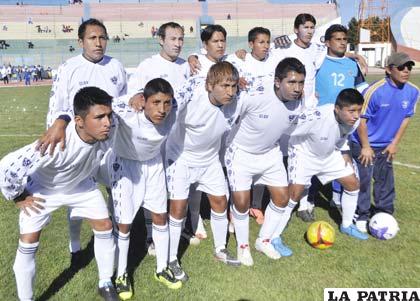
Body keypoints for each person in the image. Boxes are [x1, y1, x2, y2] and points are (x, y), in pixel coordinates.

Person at [0, 87, 119, 301]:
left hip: (81, 186)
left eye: (109, 115)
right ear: (79, 121)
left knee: (105, 226)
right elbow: (7, 167)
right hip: (44, 191)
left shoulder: (109, 125)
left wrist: (138, 98)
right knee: (28, 241)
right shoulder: (55, 144)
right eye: (99, 117)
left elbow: (125, 105)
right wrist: (18, 195)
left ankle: (105, 282)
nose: (107, 122)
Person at [38, 18, 127, 268]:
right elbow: (56, 108)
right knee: (75, 195)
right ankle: (75, 247)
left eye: (102, 37)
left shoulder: (117, 66)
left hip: (110, 143)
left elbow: (124, 102)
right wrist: (59, 142)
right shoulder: (68, 68)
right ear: (80, 41)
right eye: (92, 38)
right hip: (79, 146)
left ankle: (116, 238)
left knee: (115, 190)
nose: (99, 43)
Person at [107, 78, 184, 298]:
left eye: (167, 103)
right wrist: (130, 98)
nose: (162, 109)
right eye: (156, 102)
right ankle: (121, 274)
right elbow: (106, 104)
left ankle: (161, 269)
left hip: (153, 165)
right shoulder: (129, 112)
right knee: (124, 224)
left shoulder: (173, 109)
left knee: (160, 216)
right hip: (124, 165)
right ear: (144, 101)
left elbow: (190, 89)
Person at [225, 57, 305, 265]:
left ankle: (264, 240)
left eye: (301, 82)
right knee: (241, 203)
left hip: (270, 153)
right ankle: (243, 247)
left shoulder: (300, 100)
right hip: (241, 153)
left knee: (282, 198)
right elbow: (230, 113)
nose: (297, 88)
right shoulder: (254, 93)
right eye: (292, 82)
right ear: (278, 82)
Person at [167, 62, 241, 281]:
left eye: (234, 86)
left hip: (210, 161)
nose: (230, 92)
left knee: (220, 201)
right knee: (178, 209)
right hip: (181, 159)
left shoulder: (237, 101)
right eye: (225, 86)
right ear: (209, 85)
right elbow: (165, 105)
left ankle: (220, 249)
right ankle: (171, 259)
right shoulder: (189, 101)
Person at [126, 21, 190, 255]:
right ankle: (151, 236)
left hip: (179, 138)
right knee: (154, 186)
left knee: (176, 186)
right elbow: (134, 93)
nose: (178, 44)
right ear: (161, 40)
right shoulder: (148, 65)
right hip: (155, 138)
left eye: (181, 39)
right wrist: (135, 95)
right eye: (173, 39)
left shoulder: (186, 66)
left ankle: (178, 226)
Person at [283, 89, 369, 248]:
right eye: (351, 111)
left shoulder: (353, 120)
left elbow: (342, 135)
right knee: (294, 194)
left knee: (353, 184)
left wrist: (344, 152)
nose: (356, 115)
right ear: (337, 109)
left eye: (359, 110)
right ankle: (274, 234)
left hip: (329, 155)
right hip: (304, 155)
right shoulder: (316, 116)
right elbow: (286, 127)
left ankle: (347, 225)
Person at [350, 52, 419, 233]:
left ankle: (384, 212)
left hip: (386, 145)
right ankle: (362, 214)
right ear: (389, 70)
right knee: (364, 179)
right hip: (364, 143)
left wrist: (394, 143)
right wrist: (365, 146)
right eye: (401, 67)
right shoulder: (375, 91)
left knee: (385, 180)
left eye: (409, 67)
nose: (406, 71)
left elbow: (406, 118)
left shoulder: (413, 91)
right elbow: (360, 120)